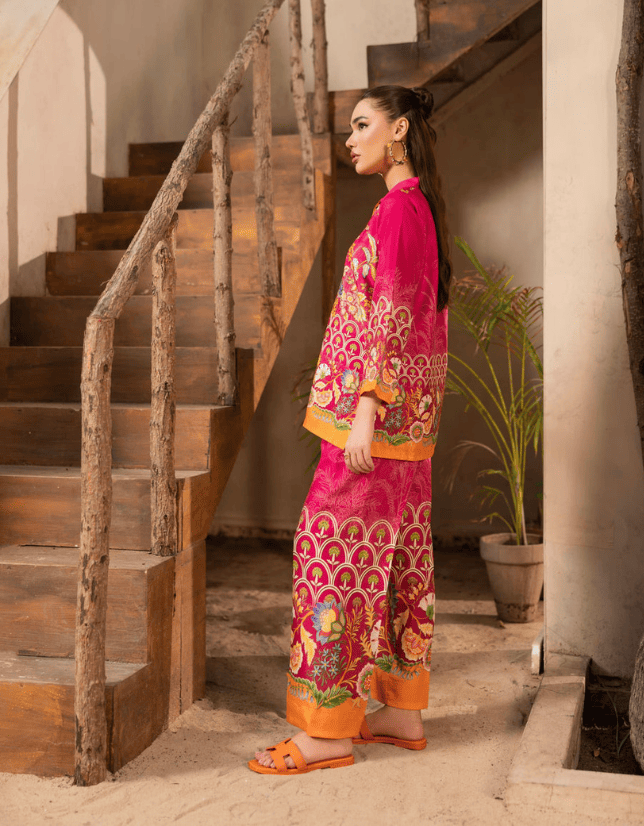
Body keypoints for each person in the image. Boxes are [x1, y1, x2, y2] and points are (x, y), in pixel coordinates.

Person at [249, 85, 451, 775]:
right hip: (408, 432)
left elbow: (394, 313)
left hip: (374, 425)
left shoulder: (400, 210)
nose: (351, 139)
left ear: (399, 130)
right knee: (397, 561)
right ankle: (399, 710)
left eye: (363, 126)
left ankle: (327, 731)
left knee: (329, 558)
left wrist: (366, 405)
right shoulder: (417, 209)